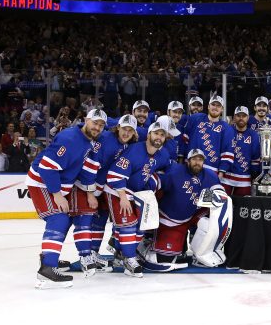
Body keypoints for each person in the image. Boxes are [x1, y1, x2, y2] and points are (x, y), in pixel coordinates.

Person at [25, 109, 108, 289]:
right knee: (59, 217)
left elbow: (83, 170)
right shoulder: (69, 138)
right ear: (86, 120)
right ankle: (47, 268)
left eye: (101, 125)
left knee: (65, 219)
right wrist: (56, 194)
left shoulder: (87, 142)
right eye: (95, 123)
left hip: (56, 184)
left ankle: (48, 258)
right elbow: (47, 168)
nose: (97, 127)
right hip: (42, 182)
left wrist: (89, 191)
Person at [138, 148, 230, 271]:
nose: (197, 162)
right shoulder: (175, 171)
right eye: (194, 159)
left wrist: (208, 197)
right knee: (163, 259)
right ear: (188, 160)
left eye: (200, 159)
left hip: (192, 216)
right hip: (169, 220)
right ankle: (146, 244)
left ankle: (203, 253)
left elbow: (220, 195)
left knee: (210, 221)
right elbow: (154, 183)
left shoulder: (209, 174)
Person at [104, 119, 171, 278]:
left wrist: (155, 182)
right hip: (117, 189)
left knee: (143, 224)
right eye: (156, 133)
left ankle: (121, 253)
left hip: (136, 193)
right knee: (129, 224)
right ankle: (129, 259)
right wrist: (122, 197)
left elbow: (166, 169)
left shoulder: (162, 154)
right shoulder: (134, 151)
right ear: (149, 134)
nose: (159, 137)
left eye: (162, 135)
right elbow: (114, 175)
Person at [87, 114, 138, 272]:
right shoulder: (107, 139)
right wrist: (90, 191)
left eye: (130, 130)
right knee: (95, 220)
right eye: (124, 129)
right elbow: (90, 165)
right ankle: (90, 254)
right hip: (93, 185)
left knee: (105, 218)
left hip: (106, 187)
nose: (126, 133)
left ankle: (113, 253)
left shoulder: (127, 144)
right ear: (118, 128)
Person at [183, 95, 235, 179]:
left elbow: (227, 152)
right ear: (208, 106)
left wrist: (221, 173)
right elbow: (185, 140)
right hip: (190, 167)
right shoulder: (195, 118)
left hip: (211, 170)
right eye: (213, 104)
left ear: (222, 109)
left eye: (218, 106)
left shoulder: (226, 128)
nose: (215, 107)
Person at [223, 106, 260, 196]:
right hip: (226, 177)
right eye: (238, 115)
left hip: (244, 179)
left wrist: (254, 177)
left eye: (243, 116)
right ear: (234, 117)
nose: (241, 118)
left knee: (242, 208)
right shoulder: (227, 130)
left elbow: (255, 158)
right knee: (223, 206)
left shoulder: (253, 135)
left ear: (248, 118)